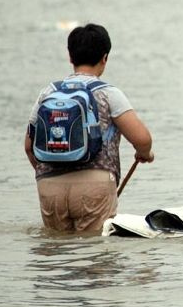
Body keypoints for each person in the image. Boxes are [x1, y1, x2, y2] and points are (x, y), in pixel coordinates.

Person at [24, 24, 155, 233]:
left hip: (49, 186)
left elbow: (29, 146)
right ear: (105, 58)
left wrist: (52, 174)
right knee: (95, 257)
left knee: (57, 253)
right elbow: (142, 138)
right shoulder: (108, 93)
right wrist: (144, 153)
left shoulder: (47, 93)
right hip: (94, 185)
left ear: (70, 56)